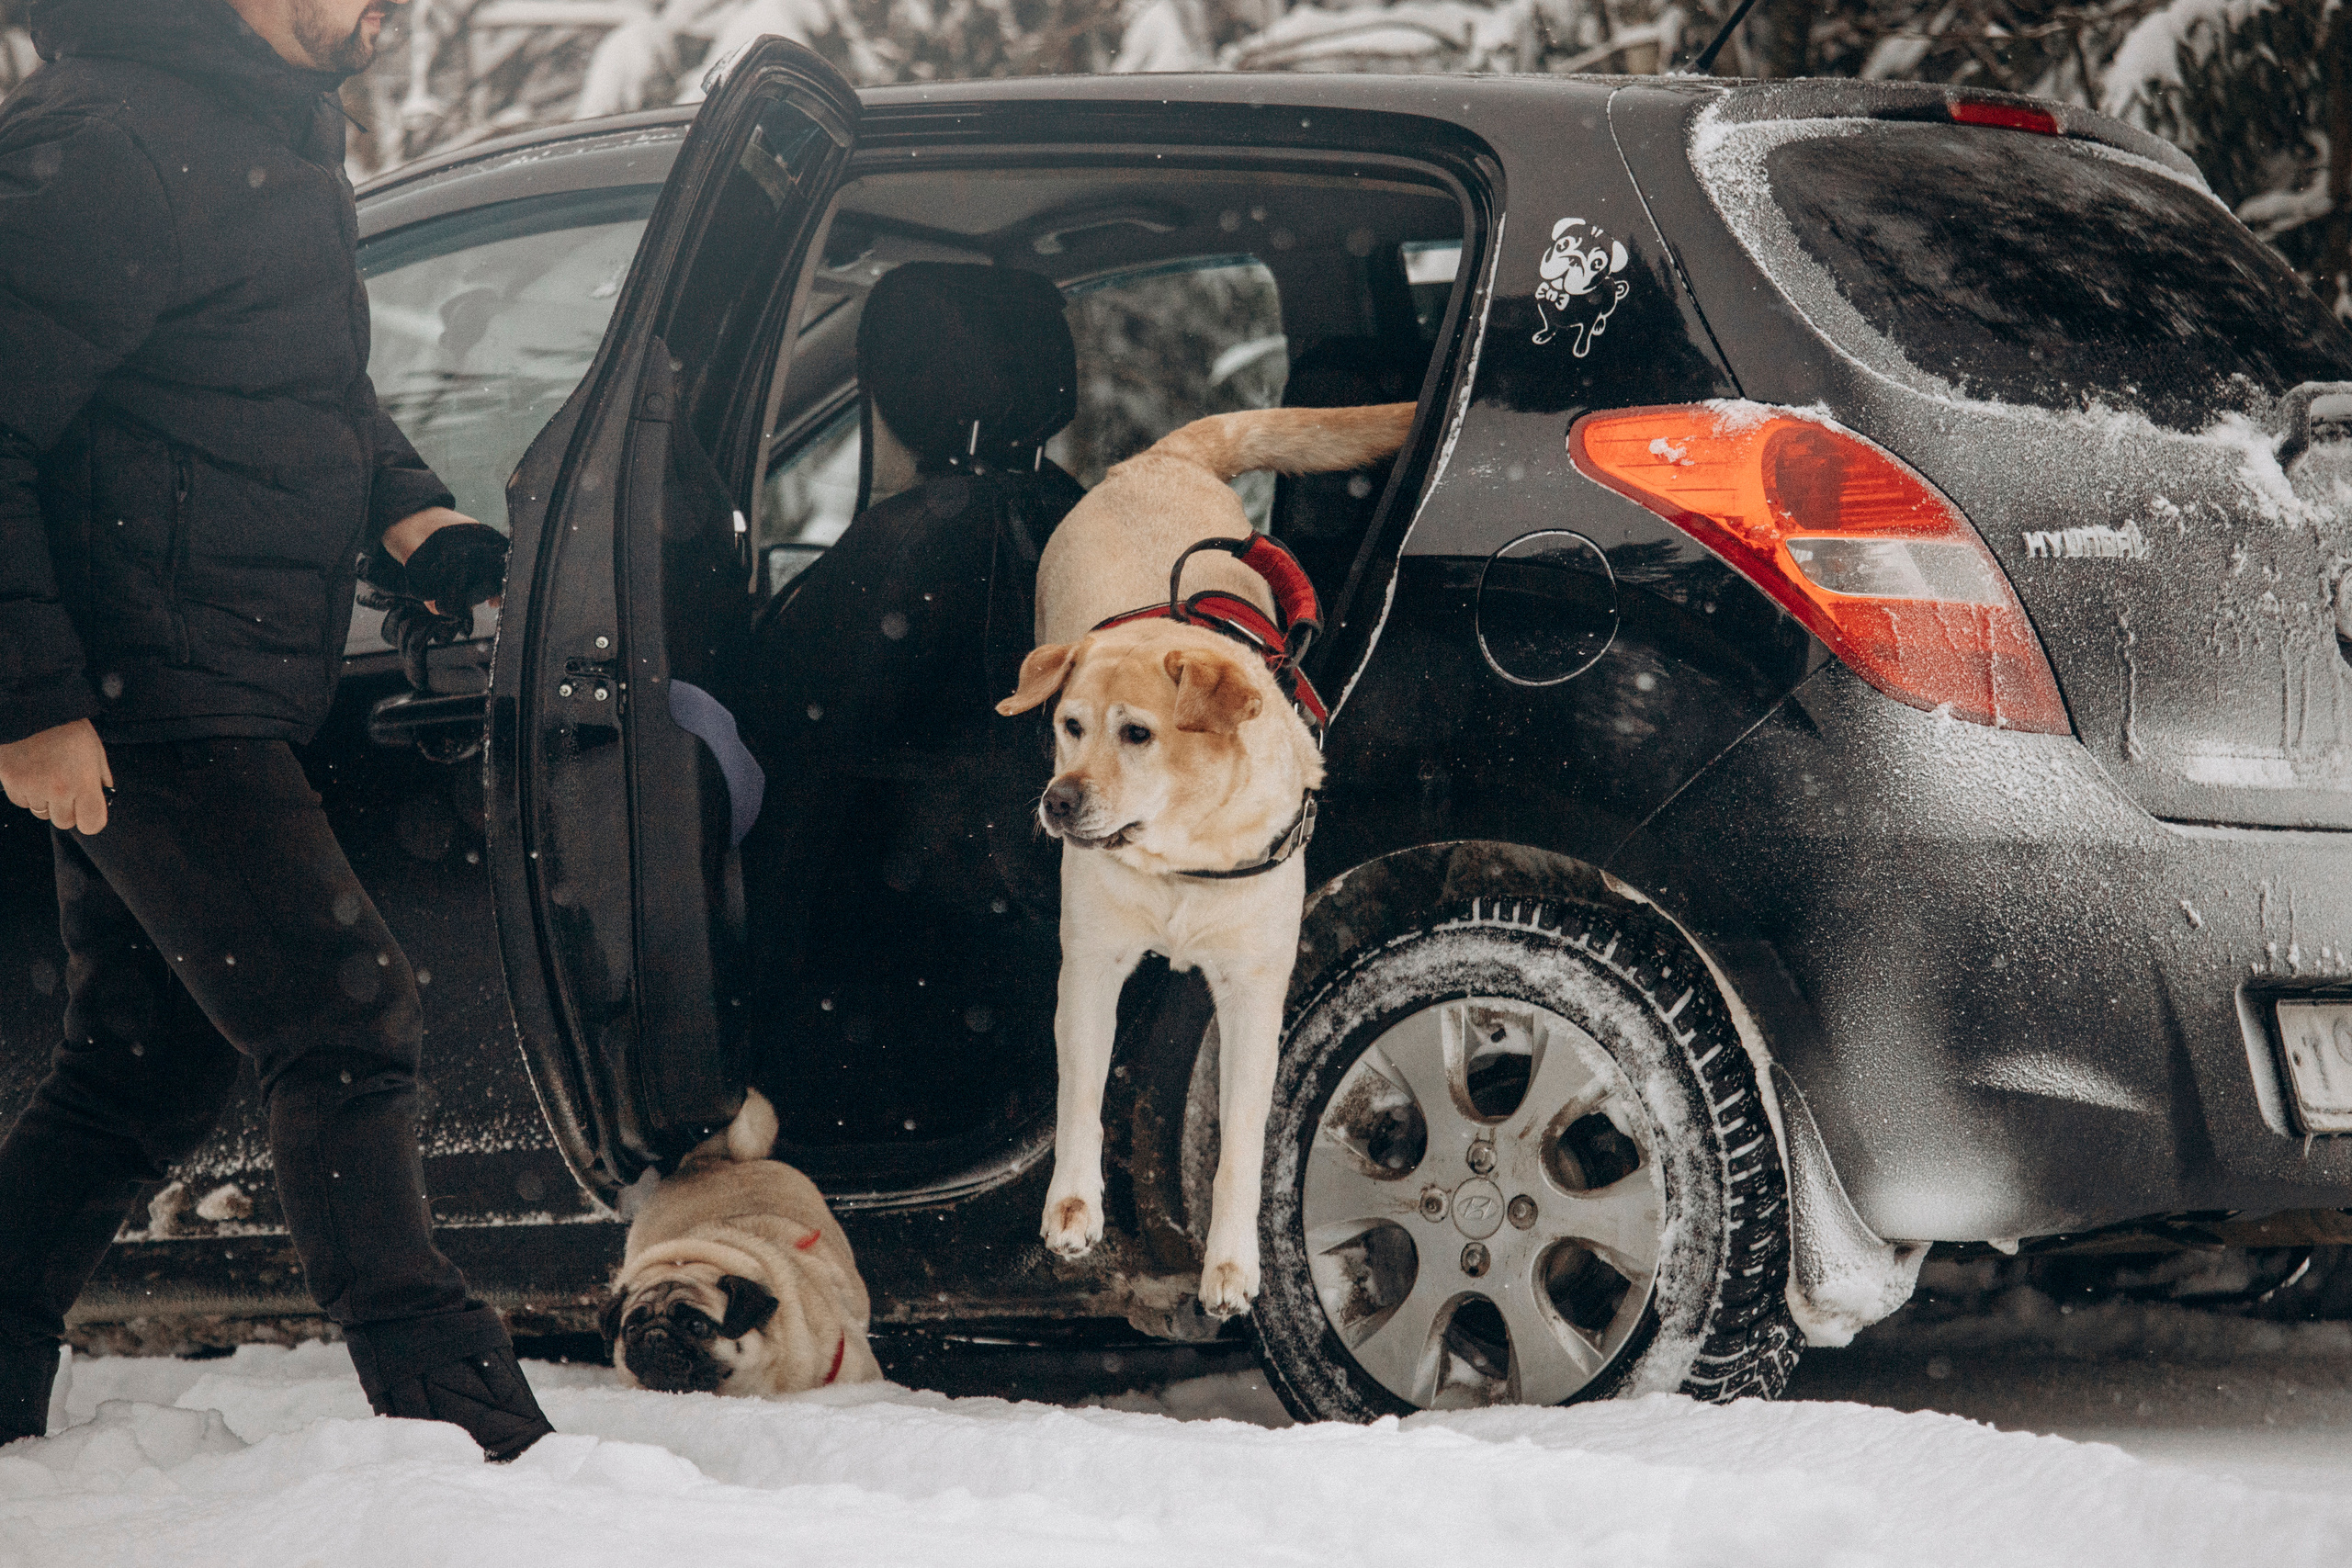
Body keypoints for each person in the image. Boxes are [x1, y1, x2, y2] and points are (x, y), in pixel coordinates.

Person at [0, 0, 551, 1460]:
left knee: (138, 1067)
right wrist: (31, 702)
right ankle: (456, 1421)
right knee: (345, 1011)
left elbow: (290, 377)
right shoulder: (106, 140)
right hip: (140, 694)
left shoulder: (260, 131)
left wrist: (411, 507)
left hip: (218, 676)